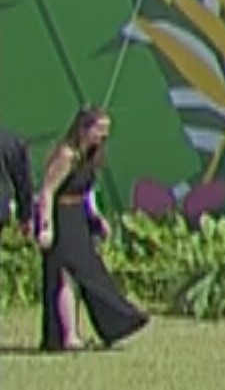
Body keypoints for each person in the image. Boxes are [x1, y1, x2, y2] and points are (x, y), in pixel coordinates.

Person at [29, 110, 151, 353]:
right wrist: (46, 226)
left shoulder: (90, 156)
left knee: (87, 274)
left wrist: (96, 218)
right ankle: (68, 336)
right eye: (100, 129)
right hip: (61, 218)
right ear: (84, 129)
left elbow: (87, 192)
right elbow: (47, 191)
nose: (104, 135)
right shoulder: (67, 155)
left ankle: (112, 322)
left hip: (78, 219)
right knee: (66, 276)